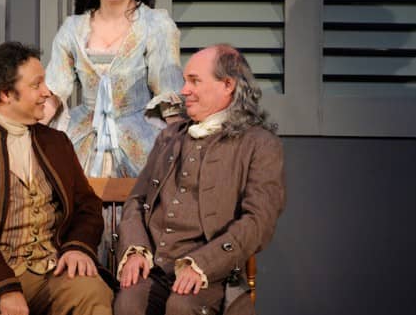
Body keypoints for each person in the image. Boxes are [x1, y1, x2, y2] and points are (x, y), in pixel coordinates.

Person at [0, 42, 113, 315]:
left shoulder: (56, 143)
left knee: (92, 293)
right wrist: (5, 286)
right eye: (36, 85)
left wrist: (77, 248)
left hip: (51, 268)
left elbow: (87, 206)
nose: (47, 93)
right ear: (5, 94)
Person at [113, 45, 286, 315]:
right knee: (129, 303)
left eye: (194, 81)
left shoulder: (260, 144)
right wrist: (136, 249)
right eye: (185, 81)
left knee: (182, 306)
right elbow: (137, 200)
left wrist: (202, 264)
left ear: (228, 85)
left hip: (213, 274)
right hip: (157, 269)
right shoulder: (171, 136)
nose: (184, 90)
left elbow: (258, 222)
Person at [43, 0, 184, 178]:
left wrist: (181, 152)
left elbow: (169, 92)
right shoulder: (72, 29)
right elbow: (53, 91)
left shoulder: (156, 25)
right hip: (82, 138)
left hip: (142, 137)